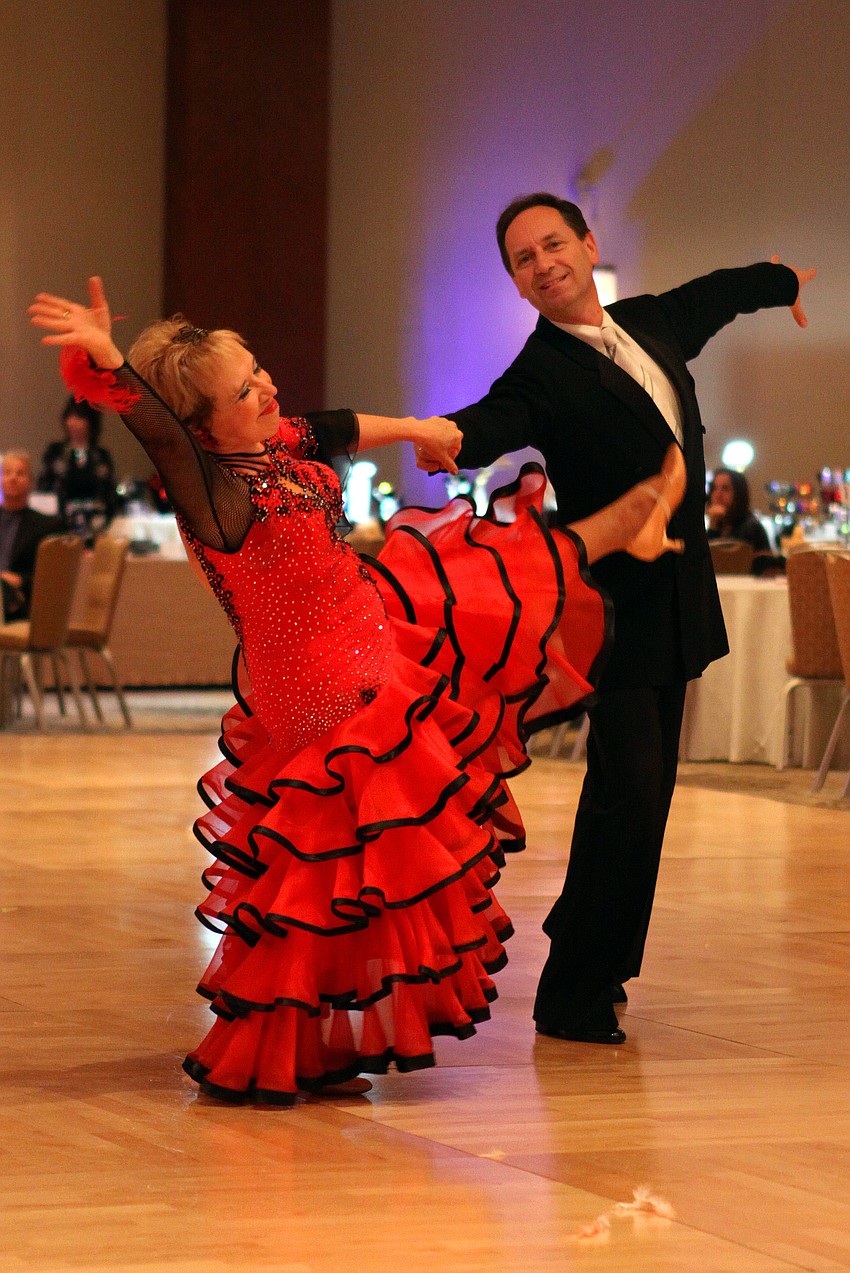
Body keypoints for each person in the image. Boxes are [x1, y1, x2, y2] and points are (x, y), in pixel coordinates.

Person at [30, 276, 682, 1103]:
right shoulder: (217, 498)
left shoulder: (273, 450)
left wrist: (418, 428)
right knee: (318, 875)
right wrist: (115, 367)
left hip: (371, 642)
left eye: (259, 370)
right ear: (204, 428)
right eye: (244, 390)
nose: (267, 388)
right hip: (326, 692)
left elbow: (337, 426)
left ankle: (320, 1040)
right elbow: (160, 437)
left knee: (350, 868)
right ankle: (264, 1047)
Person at [416, 192, 815, 1045]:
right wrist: (449, 434)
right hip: (613, 607)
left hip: (677, 597)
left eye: (553, 243)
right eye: (524, 259)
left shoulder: (651, 322)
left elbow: (720, 289)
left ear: (588, 244)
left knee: (644, 794)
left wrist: (782, 280)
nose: (543, 262)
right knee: (628, 793)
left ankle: (594, 963)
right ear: (519, 286)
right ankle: (572, 991)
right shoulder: (542, 371)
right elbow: (495, 418)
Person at [38, 395, 116, 542]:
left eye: (79, 417)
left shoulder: (100, 456)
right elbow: (45, 486)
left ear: (90, 422)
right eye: (69, 417)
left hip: (96, 524)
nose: (72, 422)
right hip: (61, 523)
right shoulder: (56, 452)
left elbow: (109, 491)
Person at [0, 450, 66, 621]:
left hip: (21, 598)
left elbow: (53, 578)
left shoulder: (47, 526)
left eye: (20, 473)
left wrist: (20, 580)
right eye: (7, 473)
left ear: (30, 482)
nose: (12, 478)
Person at [706, 467, 771, 552]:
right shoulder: (718, 525)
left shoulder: (751, 528)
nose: (717, 495)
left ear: (738, 494)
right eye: (714, 488)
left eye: (725, 489)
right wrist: (713, 526)